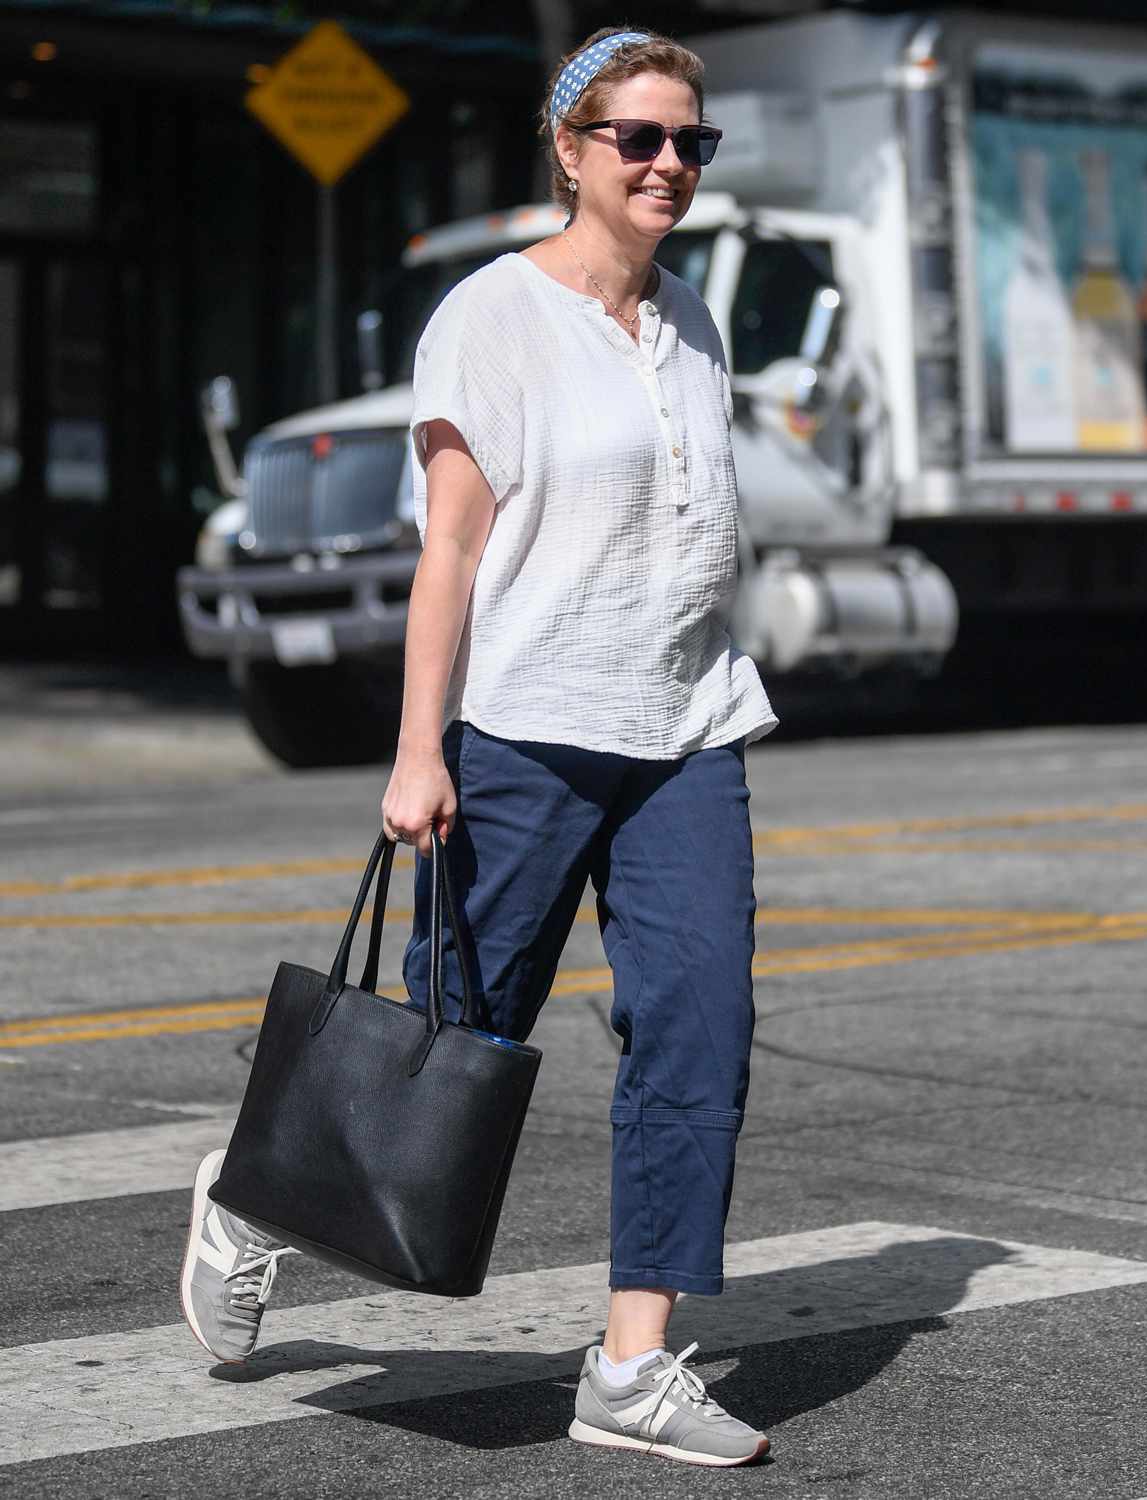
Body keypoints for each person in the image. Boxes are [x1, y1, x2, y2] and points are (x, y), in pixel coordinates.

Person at [179, 27, 777, 1469]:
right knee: (450, 1037)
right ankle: (257, 1192)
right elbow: (447, 550)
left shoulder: (691, 319)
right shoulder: (492, 317)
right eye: (636, 138)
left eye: (689, 142)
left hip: (687, 728)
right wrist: (415, 749)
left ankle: (631, 1367)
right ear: (568, 150)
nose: (666, 165)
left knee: (698, 1024)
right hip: (525, 727)